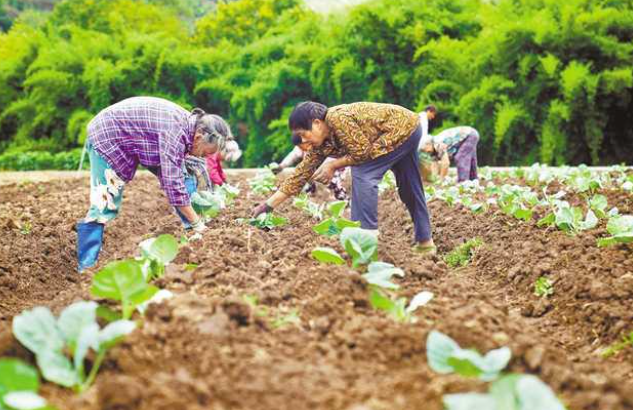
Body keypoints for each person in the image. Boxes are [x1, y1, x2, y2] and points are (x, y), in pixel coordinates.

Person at [252, 101, 435, 255]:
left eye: (303, 134)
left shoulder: (337, 118)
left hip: (400, 128)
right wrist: (267, 206)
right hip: (411, 128)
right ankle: (425, 242)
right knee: (409, 186)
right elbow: (300, 174)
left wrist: (333, 165)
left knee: (363, 173)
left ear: (316, 123)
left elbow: (362, 153)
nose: (303, 141)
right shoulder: (319, 145)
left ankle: (364, 243)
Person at [76, 96, 233, 271]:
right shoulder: (175, 132)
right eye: (204, 153)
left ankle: (193, 231)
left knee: (184, 175)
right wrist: (197, 223)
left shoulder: (188, 128)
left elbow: (180, 178)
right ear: (198, 137)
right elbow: (172, 184)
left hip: (144, 142)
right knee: (105, 202)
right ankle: (86, 266)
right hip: (107, 136)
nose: (201, 157)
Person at [271, 145, 348, 201]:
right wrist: (281, 166)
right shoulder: (301, 144)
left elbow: (330, 160)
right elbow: (293, 155)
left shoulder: (321, 142)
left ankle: (341, 196)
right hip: (315, 170)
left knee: (333, 182)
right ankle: (311, 192)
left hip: (334, 170)